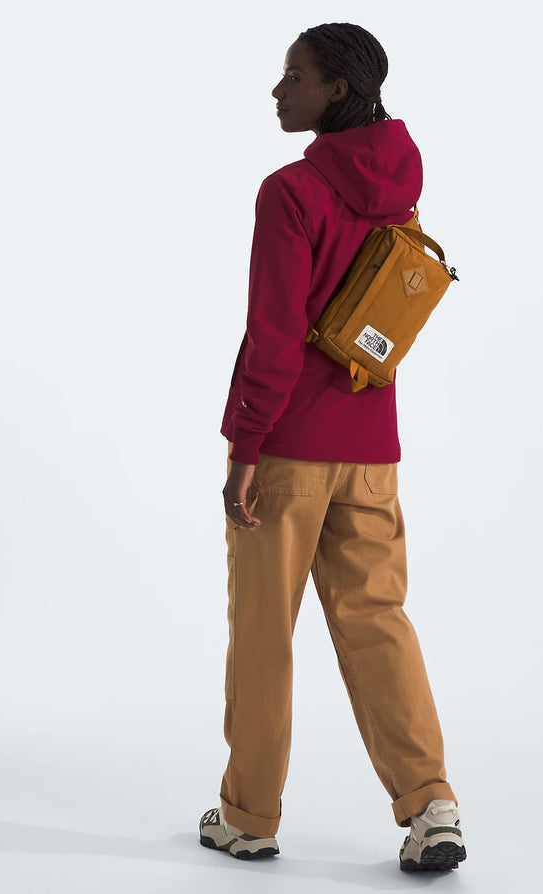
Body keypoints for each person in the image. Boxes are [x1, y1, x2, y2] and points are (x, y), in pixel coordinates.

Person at [198, 22, 466, 873]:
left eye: (294, 76)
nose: (278, 92)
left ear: (337, 90)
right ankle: (432, 808)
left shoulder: (291, 192)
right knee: (378, 622)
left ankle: (248, 817)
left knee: (264, 632)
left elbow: (274, 334)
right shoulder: (402, 189)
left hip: (288, 449)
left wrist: (247, 446)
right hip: (372, 447)